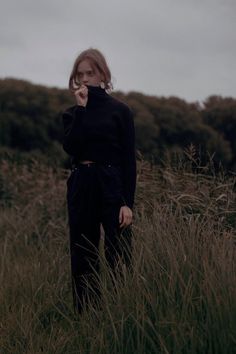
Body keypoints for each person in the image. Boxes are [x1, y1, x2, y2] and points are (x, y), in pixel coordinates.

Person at [62, 48, 136, 313]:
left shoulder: (120, 111)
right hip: (82, 181)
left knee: (119, 250)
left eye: (90, 73)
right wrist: (82, 110)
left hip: (111, 181)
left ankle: (122, 309)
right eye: (79, 74)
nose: (84, 79)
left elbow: (128, 161)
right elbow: (72, 147)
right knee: (83, 251)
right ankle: (87, 315)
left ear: (102, 74)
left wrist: (127, 203)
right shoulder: (72, 113)